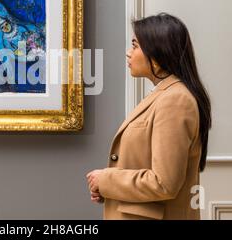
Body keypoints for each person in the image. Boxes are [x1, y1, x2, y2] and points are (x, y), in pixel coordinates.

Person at [86, 13, 211, 220]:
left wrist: (106, 179)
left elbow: (164, 182)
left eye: (135, 46)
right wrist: (107, 188)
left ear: (158, 56)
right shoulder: (165, 95)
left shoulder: (175, 100)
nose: (128, 53)